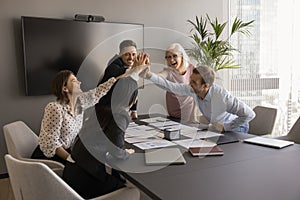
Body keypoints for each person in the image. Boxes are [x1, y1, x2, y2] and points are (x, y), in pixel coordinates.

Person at [31, 69, 118, 164]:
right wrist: (72, 159)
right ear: (65, 88)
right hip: (50, 159)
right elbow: (51, 143)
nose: (79, 82)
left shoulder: (80, 104)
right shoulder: (55, 108)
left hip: (67, 153)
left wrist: (130, 74)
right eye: (74, 81)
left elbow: (99, 92)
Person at [141, 64, 256, 133]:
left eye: (194, 82)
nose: (189, 83)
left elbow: (249, 114)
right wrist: (148, 75)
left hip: (237, 127)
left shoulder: (221, 96)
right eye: (190, 79)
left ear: (206, 86)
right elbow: (171, 87)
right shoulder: (194, 89)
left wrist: (226, 127)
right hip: (218, 127)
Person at [157, 43, 200, 122]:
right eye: (168, 57)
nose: (171, 60)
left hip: (189, 110)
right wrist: (149, 74)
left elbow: (197, 92)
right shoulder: (168, 71)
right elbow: (159, 76)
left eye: (174, 56)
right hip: (174, 112)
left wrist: (193, 116)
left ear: (181, 56)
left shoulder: (191, 68)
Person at [98, 39, 139, 120]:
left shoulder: (129, 68)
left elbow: (134, 85)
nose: (131, 58)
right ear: (120, 54)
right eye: (127, 54)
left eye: (134, 54)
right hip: (105, 112)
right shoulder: (113, 64)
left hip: (119, 111)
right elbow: (124, 73)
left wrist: (134, 110)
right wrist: (138, 68)